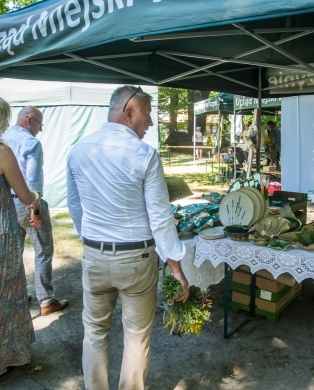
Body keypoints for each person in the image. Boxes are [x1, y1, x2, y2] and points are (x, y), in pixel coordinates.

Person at [67, 85, 189, 390]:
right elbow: (160, 216)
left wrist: (91, 239)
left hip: (95, 255)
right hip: (136, 258)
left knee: (94, 332)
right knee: (136, 336)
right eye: (147, 115)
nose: (149, 123)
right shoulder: (144, 154)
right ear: (129, 111)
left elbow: (74, 205)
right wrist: (176, 267)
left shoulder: (79, 149)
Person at [2, 106, 69, 316]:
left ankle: (18, 295)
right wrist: (36, 210)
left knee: (13, 254)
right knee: (43, 251)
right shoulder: (31, 142)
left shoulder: (4, 138)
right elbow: (32, 180)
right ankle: (46, 300)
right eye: (40, 125)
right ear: (30, 120)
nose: (40, 130)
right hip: (27, 202)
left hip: (6, 206)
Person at [0, 98, 40, 377]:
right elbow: (25, 194)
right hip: (2, 233)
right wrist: (36, 199)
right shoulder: (2, 152)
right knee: (6, 293)